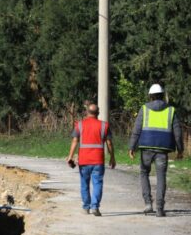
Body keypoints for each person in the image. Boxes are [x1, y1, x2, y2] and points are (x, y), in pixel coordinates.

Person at [128, 84, 183, 217]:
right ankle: (159, 208)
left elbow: (136, 130)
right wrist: (180, 149)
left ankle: (148, 204)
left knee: (144, 173)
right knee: (161, 177)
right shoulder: (171, 110)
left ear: (150, 96)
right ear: (163, 95)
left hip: (146, 148)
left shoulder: (144, 109)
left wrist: (132, 147)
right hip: (163, 149)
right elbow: (178, 132)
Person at [67, 103, 116, 216]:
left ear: (86, 112)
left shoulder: (80, 125)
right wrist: (112, 157)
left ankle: (86, 207)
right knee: (97, 183)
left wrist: (70, 156)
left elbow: (75, 141)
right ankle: (95, 207)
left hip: (84, 161)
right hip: (98, 160)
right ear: (98, 113)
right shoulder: (104, 126)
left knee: (84, 184)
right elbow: (109, 143)